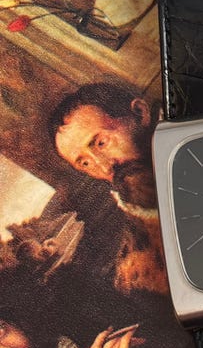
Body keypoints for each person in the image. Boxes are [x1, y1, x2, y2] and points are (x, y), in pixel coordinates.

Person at [50, 83, 167, 295]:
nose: (105, 167)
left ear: (140, 113)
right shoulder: (130, 193)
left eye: (101, 143)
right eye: (85, 163)